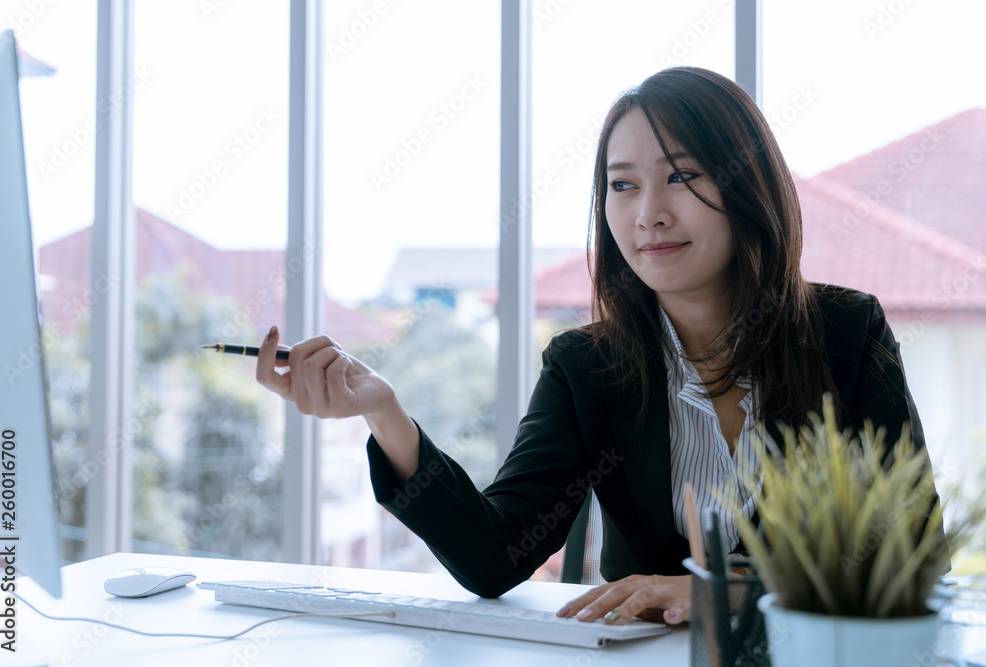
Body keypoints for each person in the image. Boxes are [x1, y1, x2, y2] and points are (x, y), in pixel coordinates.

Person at [254, 67, 929, 628]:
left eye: (682, 176)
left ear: (746, 183)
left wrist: (738, 593)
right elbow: (495, 556)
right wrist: (385, 413)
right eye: (623, 183)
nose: (648, 214)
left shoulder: (846, 332)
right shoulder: (586, 366)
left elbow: (912, 545)